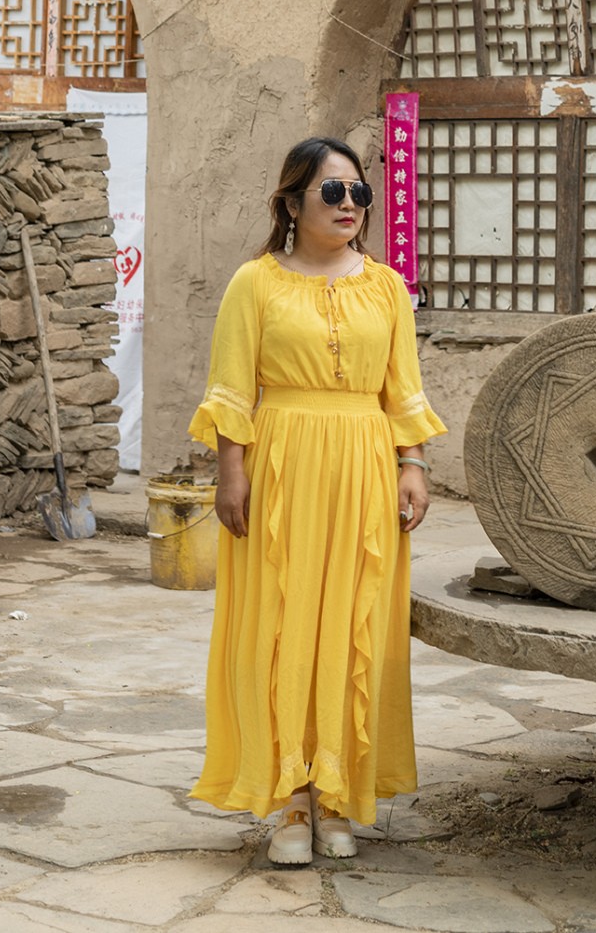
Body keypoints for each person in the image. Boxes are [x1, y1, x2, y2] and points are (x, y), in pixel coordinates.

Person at [187, 135, 445, 864]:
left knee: (355, 623)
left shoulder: (388, 286)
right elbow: (233, 385)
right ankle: (289, 802)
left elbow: (403, 388)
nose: (350, 205)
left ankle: (338, 795)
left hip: (365, 466)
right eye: (333, 192)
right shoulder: (255, 283)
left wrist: (413, 463)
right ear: (292, 201)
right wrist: (230, 469)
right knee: (282, 621)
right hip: (281, 466)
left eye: (359, 192)